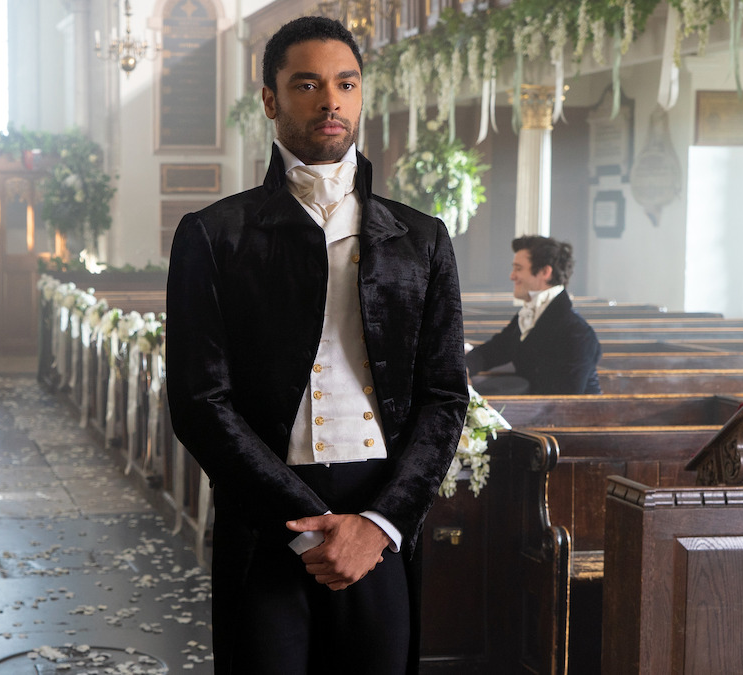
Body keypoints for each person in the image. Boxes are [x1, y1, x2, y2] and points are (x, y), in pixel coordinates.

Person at [165, 17, 468, 675]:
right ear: (271, 100)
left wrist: (377, 526)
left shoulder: (423, 238)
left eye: (346, 83)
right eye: (307, 84)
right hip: (266, 516)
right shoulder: (214, 236)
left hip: (382, 516)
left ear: (361, 95)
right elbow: (199, 402)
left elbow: (444, 399)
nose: (330, 100)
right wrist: (309, 521)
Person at [465, 235, 602, 395]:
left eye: (518, 268)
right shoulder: (529, 315)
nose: (512, 276)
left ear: (545, 272)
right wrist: (463, 367)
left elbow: (565, 402)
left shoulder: (577, 332)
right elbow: (495, 350)